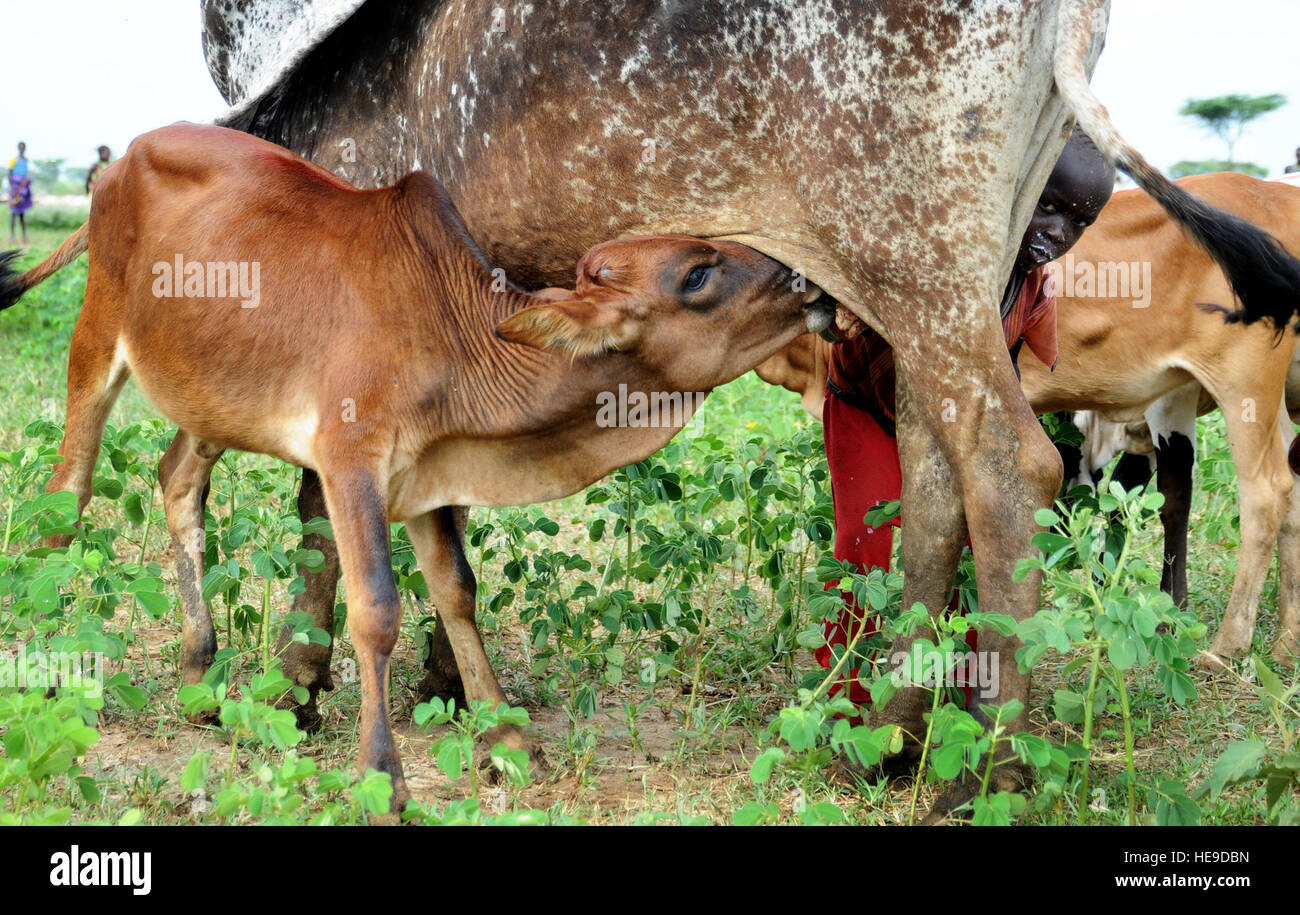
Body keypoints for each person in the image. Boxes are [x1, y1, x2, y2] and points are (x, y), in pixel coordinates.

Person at [817, 128, 1117, 711]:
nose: (1059, 233)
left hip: (960, 424)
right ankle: (849, 698)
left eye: (1078, 224)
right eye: (1049, 206)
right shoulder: (925, 245)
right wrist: (840, 311)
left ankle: (960, 691)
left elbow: (1016, 378)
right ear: (1008, 188)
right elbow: (832, 303)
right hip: (868, 410)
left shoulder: (1030, 288)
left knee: (978, 546)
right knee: (869, 543)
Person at [8, 141, 32, 246]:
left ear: (25, 148)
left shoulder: (26, 161)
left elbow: (27, 176)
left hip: (23, 191)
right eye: (20, 147)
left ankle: (24, 236)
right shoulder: (14, 160)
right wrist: (13, 189)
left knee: (22, 214)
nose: (22, 148)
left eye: (23, 147)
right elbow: (9, 174)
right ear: (18, 148)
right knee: (13, 213)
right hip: (15, 189)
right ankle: (12, 236)